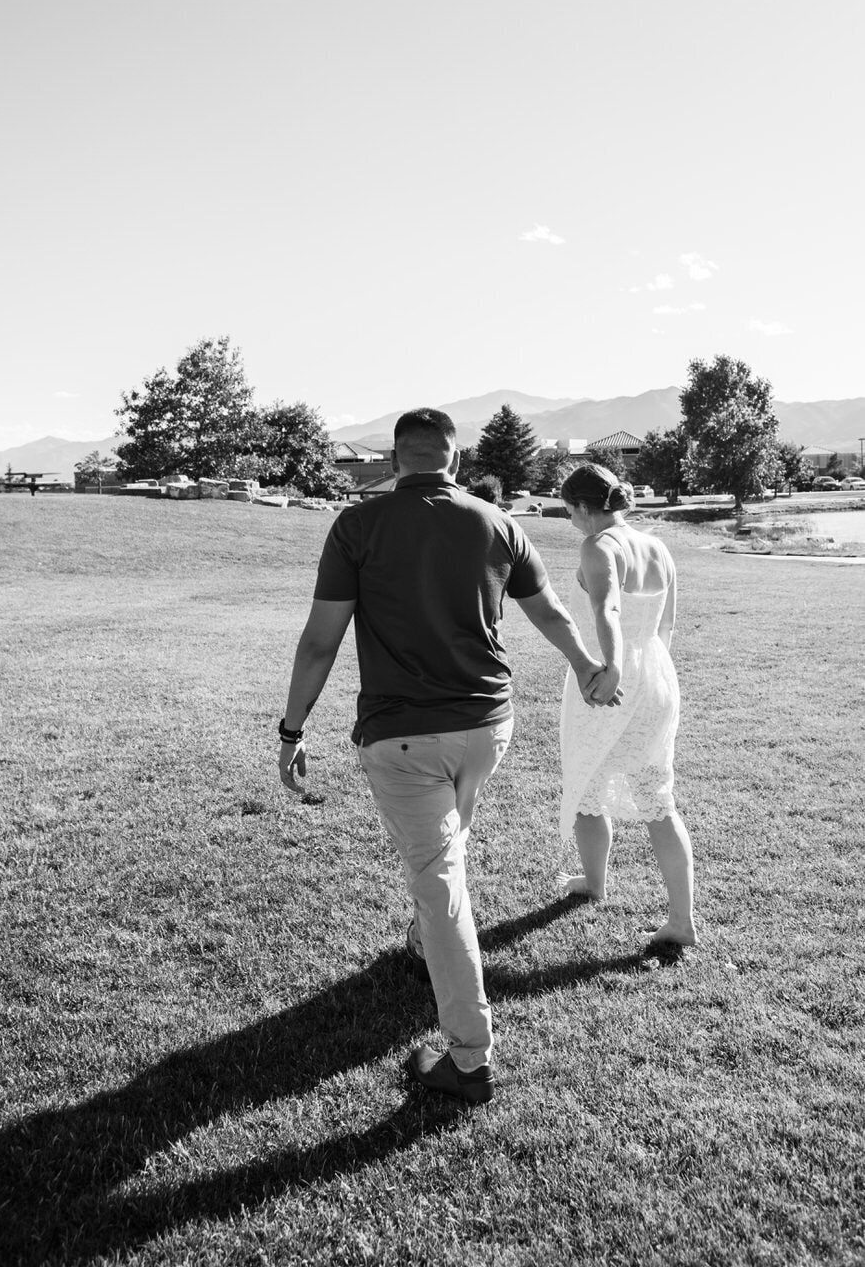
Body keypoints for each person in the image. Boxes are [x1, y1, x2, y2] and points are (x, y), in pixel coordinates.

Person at [277, 408, 615, 1105]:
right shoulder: (496, 522)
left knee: (441, 878)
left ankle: (469, 1059)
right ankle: (419, 936)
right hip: (488, 726)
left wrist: (291, 728)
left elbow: (319, 642)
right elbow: (549, 611)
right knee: (447, 846)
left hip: (403, 737)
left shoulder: (357, 524)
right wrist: (585, 666)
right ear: (453, 462)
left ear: (395, 459)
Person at [557, 463, 696, 946]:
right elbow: (667, 626)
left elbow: (607, 608)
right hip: (658, 675)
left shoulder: (598, 545)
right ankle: (677, 918)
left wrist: (614, 666)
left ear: (580, 508)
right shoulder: (658, 547)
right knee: (657, 797)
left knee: (586, 777)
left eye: (569, 510)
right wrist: (647, 671)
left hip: (609, 678)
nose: (570, 518)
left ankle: (597, 885)